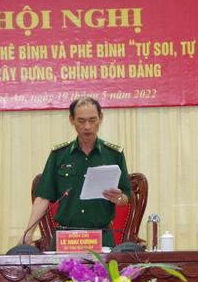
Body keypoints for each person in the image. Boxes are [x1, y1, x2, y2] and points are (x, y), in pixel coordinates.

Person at [23, 97, 131, 249]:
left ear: (100, 118)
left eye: (92, 120)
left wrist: (118, 198)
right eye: (81, 121)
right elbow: (43, 197)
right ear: (71, 120)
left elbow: (126, 196)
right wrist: (28, 233)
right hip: (66, 238)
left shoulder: (113, 154)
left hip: (101, 236)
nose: (87, 126)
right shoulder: (59, 155)